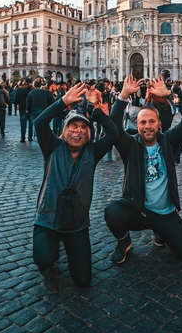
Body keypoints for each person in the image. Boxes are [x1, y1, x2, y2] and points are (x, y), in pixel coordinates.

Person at [33, 82, 118, 293]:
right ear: (64, 131)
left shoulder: (93, 151)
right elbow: (39, 122)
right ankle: (48, 267)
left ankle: (70, 252)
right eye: (73, 126)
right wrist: (62, 102)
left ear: (88, 134)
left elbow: (114, 134)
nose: (78, 131)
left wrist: (97, 111)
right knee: (43, 256)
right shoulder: (52, 147)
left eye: (82, 128)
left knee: (82, 280)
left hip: (77, 223)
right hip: (48, 219)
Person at [104, 76, 182, 266]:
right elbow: (113, 127)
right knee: (112, 211)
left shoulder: (169, 141)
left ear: (159, 124)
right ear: (137, 126)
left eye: (151, 122)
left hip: (166, 213)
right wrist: (122, 96)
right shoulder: (130, 146)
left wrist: (172, 93)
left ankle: (161, 231)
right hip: (139, 210)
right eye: (142, 123)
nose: (147, 126)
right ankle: (124, 242)